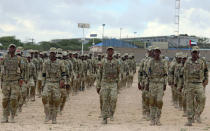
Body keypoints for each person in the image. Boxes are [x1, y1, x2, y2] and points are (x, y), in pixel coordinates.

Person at [184, 46, 208, 126]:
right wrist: (185, 85)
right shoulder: (187, 62)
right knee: (189, 102)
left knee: (202, 98)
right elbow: (184, 73)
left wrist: (206, 80)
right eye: (193, 52)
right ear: (191, 53)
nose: (195, 54)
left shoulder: (202, 61)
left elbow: (205, 71)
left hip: (198, 83)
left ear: (198, 53)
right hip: (190, 84)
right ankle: (190, 120)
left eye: (196, 52)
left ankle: (197, 114)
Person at [42, 47, 66, 124]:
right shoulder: (46, 62)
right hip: (48, 82)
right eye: (51, 53)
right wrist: (43, 84)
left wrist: (63, 80)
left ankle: (54, 117)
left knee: (56, 100)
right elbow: (43, 74)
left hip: (56, 82)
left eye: (53, 53)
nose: (52, 54)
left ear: (55, 54)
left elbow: (64, 73)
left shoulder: (60, 62)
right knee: (45, 97)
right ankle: (47, 115)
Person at [1, 44, 24, 123]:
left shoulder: (18, 59)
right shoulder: (4, 58)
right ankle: (5, 116)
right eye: (11, 48)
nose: (12, 49)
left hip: (15, 82)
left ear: (15, 49)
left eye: (13, 48)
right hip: (6, 82)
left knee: (13, 99)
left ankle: (12, 116)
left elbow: (22, 70)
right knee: (5, 99)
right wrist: (1, 81)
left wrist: (21, 79)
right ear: (8, 49)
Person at [97, 47, 120, 124]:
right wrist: (98, 85)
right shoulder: (102, 61)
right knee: (104, 100)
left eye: (111, 51)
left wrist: (118, 84)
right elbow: (99, 74)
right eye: (109, 50)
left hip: (113, 83)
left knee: (114, 99)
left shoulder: (117, 62)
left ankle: (111, 113)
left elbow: (119, 73)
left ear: (113, 52)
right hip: (104, 83)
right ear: (107, 52)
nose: (110, 52)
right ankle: (104, 118)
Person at [146, 47, 168, 126]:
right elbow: (147, 74)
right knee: (152, 101)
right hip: (152, 83)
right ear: (153, 53)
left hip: (160, 84)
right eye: (156, 52)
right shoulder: (150, 62)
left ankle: (158, 119)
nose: (157, 53)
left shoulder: (163, 62)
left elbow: (166, 74)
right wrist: (147, 84)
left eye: (158, 52)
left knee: (159, 101)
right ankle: (152, 119)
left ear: (160, 53)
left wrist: (165, 84)